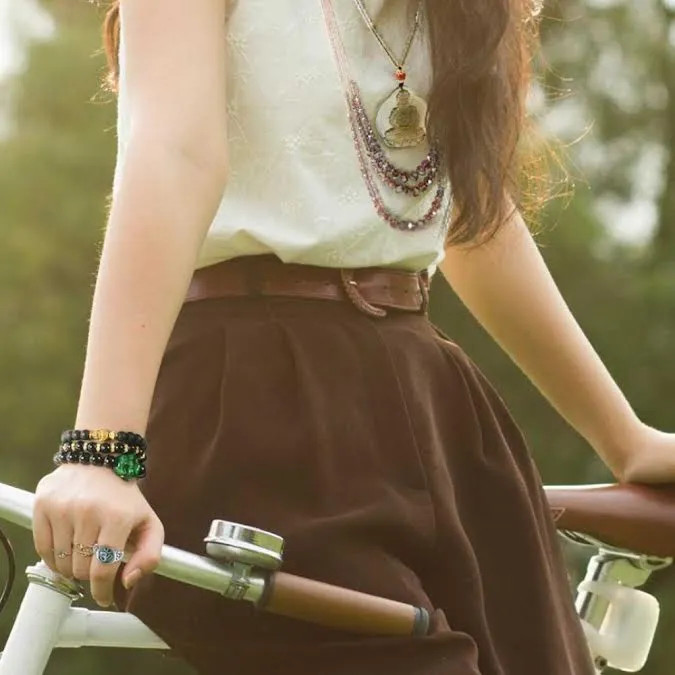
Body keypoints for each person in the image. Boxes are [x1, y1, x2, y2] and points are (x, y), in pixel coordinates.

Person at [31, 1, 675, 674]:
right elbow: (173, 154)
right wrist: (101, 451)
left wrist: (622, 438)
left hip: (431, 401)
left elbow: (473, 218)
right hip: (251, 398)